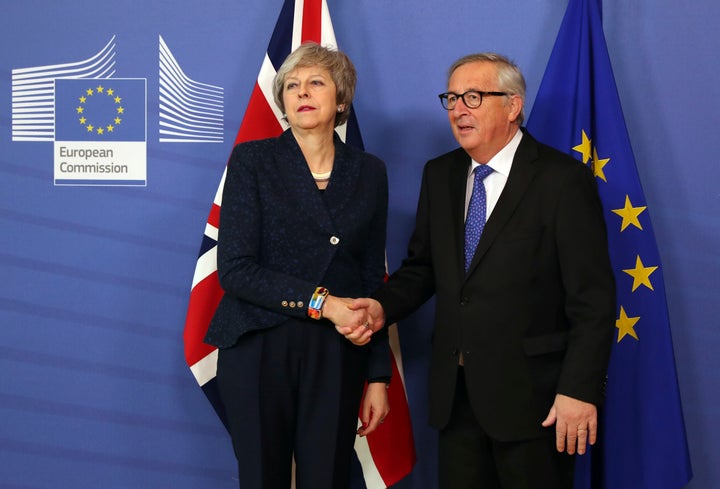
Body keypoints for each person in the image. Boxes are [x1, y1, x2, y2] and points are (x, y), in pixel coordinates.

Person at [340, 53, 616, 489]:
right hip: (457, 398)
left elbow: (594, 300)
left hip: (537, 402)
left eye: (473, 96)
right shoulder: (441, 174)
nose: (458, 109)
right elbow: (424, 268)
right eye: (451, 97)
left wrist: (578, 390)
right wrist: (379, 309)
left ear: (512, 106)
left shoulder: (562, 180)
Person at [204, 42, 391, 489]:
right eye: (292, 85)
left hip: (337, 352)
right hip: (258, 344)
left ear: (341, 99)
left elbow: (371, 279)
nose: (302, 92)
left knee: (327, 478)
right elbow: (235, 269)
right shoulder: (253, 161)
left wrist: (379, 376)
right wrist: (323, 303)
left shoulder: (369, 171)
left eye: (316, 83)